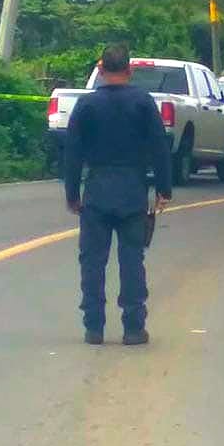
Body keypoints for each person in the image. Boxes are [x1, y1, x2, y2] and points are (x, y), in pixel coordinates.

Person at [65, 44, 172, 346]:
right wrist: (164, 189)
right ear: (129, 70)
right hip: (132, 190)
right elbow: (159, 148)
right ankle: (134, 328)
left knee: (92, 261)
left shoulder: (87, 106)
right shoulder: (142, 102)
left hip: (97, 190)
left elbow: (72, 153)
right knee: (131, 260)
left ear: (101, 70)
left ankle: (94, 327)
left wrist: (73, 193)